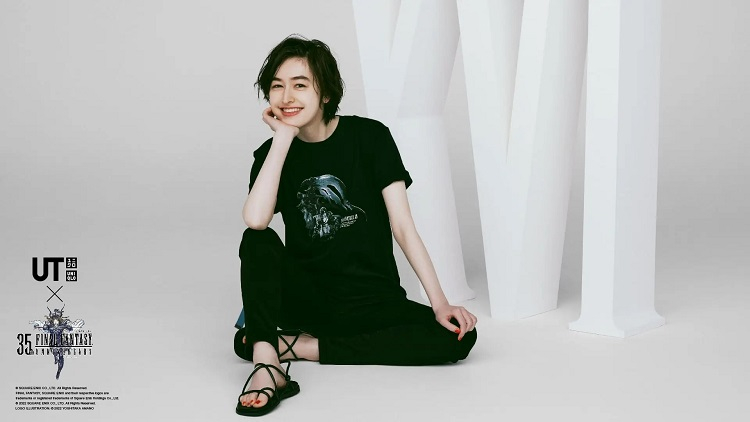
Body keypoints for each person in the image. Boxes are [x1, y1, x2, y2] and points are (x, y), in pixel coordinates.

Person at [234, 35, 478, 417]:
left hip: (372, 300)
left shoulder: (370, 138)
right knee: (257, 241)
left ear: (326, 93)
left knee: (459, 338)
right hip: (307, 301)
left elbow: (403, 227)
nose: (287, 96)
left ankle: (298, 347)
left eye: (300, 85)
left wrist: (440, 302)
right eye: (277, 86)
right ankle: (267, 362)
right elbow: (256, 220)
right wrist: (283, 138)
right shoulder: (271, 154)